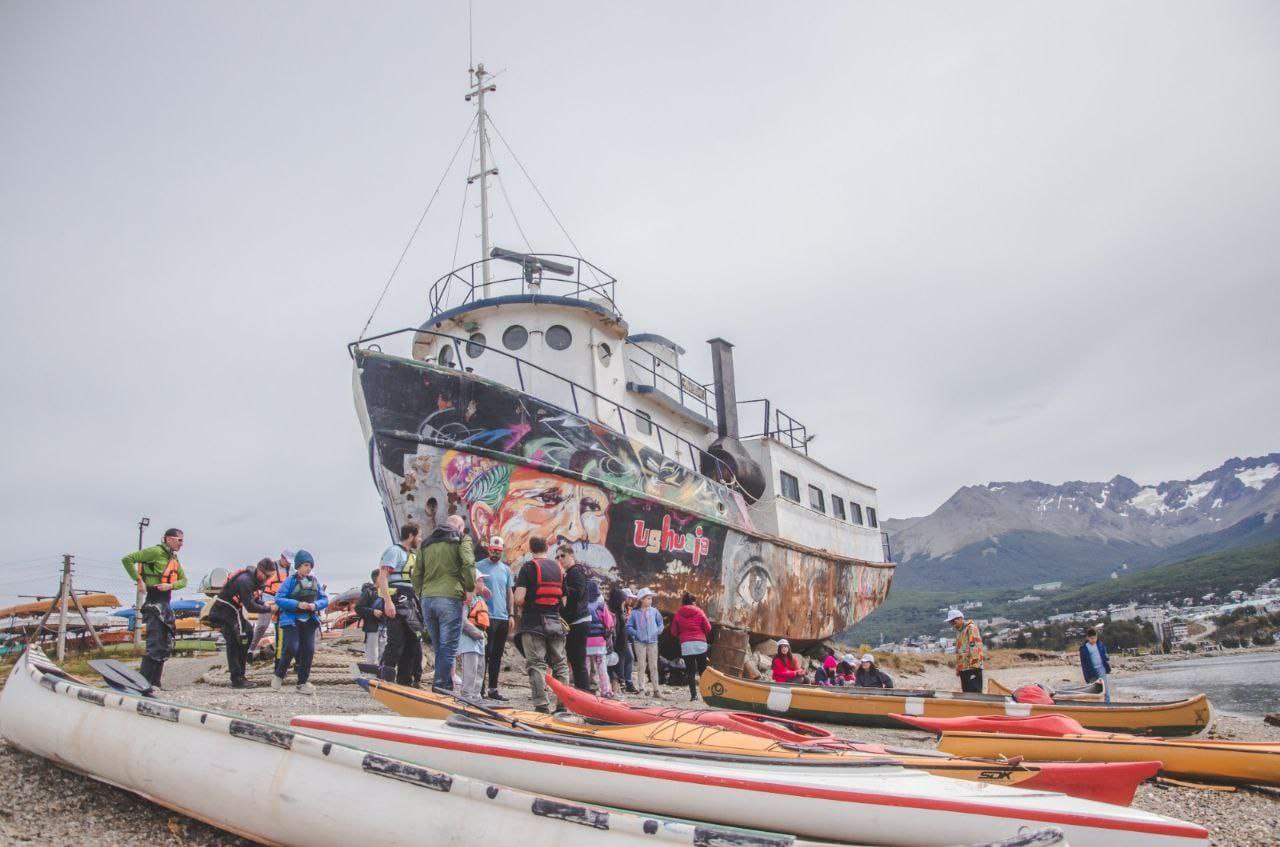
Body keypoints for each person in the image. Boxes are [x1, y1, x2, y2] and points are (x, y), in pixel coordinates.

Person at [412, 514, 477, 691]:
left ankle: (446, 685)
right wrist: (470, 588)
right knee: (448, 647)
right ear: (461, 527)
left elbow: (417, 573)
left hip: (428, 599)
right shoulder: (461, 538)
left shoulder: (426, 543)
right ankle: (440, 687)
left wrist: (420, 593)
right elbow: (468, 563)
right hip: (449, 596)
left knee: (439, 646)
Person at [121, 528, 189, 688]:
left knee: (165, 643)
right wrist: (139, 580)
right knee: (155, 642)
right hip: (153, 601)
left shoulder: (173, 558)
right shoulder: (155, 552)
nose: (182, 544)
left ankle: (156, 682)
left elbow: (184, 580)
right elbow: (128, 559)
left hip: (165, 601)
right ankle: (143, 683)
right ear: (168, 539)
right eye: (179, 540)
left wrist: (170, 585)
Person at [512, 536, 572, 713]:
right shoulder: (559, 569)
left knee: (536, 665)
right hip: (555, 622)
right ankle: (563, 706)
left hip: (533, 623)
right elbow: (565, 600)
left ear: (531, 549)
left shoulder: (528, 568)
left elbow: (518, 598)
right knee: (560, 665)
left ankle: (541, 706)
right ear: (547, 548)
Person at [208, 558, 275, 689]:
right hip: (224, 611)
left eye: (270, 577)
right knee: (235, 640)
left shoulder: (258, 581)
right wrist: (269, 608)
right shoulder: (245, 581)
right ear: (260, 571)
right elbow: (250, 606)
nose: (267, 579)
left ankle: (241, 675)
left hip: (235, 611)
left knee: (249, 633)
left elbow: (254, 599)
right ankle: (237, 678)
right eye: (266, 576)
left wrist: (264, 604)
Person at [272, 549, 328, 694]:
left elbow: (324, 599)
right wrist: (297, 604)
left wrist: (314, 605)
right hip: (291, 620)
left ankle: (302, 682)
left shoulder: (315, 581)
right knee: (292, 647)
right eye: (305, 565)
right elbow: (279, 598)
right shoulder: (290, 581)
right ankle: (279, 674)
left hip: (309, 620)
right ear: (297, 566)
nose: (308, 568)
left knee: (309, 650)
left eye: (310, 565)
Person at [376, 522, 424, 685]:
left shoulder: (412, 556)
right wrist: (388, 603)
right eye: (419, 535)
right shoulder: (394, 552)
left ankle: (405, 681)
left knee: (412, 642)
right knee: (396, 641)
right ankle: (385, 677)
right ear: (411, 535)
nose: (420, 539)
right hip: (396, 598)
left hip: (410, 600)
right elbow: (382, 577)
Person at [476, 536, 514, 701]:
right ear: (488, 549)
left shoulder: (506, 569)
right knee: (485, 653)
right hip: (486, 616)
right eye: (493, 550)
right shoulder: (479, 567)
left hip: (503, 617)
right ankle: (480, 688)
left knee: (497, 655)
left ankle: (493, 688)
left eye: (499, 551)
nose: (496, 554)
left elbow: (509, 593)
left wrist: (511, 614)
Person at [558, 544, 593, 691]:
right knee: (575, 660)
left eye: (562, 556)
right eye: (558, 557)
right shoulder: (571, 572)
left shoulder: (575, 572)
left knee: (578, 661)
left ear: (571, 555)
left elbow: (576, 594)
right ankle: (582, 691)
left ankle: (584, 692)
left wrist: (561, 587)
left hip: (578, 621)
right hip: (576, 621)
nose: (560, 559)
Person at [669, 591, 712, 701]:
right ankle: (706, 695)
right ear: (694, 602)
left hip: (687, 646)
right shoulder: (700, 612)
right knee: (703, 671)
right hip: (700, 644)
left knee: (691, 672)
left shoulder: (678, 614)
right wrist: (700, 634)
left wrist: (682, 635)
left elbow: (673, 632)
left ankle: (694, 696)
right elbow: (708, 628)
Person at [456, 575, 491, 699]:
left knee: (480, 668)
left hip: (480, 638)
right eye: (481, 580)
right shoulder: (467, 599)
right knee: (470, 670)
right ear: (474, 582)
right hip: (469, 639)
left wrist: (482, 634)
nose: (483, 583)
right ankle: (467, 696)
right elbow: (462, 620)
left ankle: (476, 696)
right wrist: (476, 633)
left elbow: (488, 595)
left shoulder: (479, 598)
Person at [626, 587, 663, 697]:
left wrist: (657, 631)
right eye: (648, 598)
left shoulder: (655, 611)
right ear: (641, 599)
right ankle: (641, 688)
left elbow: (660, 624)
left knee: (654, 666)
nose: (650, 600)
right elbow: (629, 627)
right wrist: (637, 634)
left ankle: (656, 690)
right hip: (639, 642)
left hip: (653, 642)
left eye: (651, 598)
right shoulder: (635, 613)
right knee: (641, 665)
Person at [584, 579, 616, 698]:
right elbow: (609, 623)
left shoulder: (582, 603)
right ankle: (606, 691)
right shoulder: (601, 604)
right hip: (599, 642)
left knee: (585, 667)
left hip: (586, 641)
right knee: (602, 667)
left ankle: (583, 690)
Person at [608, 586, 638, 693]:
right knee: (616, 665)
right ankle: (619, 685)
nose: (628, 601)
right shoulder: (614, 614)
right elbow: (615, 631)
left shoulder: (621, 612)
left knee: (626, 660)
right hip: (617, 645)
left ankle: (625, 683)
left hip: (623, 643)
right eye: (625, 599)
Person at [948, 609, 986, 693]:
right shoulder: (959, 632)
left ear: (961, 618)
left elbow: (975, 646)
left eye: (954, 621)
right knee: (966, 693)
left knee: (975, 693)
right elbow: (959, 651)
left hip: (972, 667)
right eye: (951, 622)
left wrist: (975, 665)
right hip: (964, 668)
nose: (952, 624)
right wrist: (958, 667)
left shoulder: (971, 628)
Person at [355, 569, 385, 665]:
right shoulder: (368, 592)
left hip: (385, 626)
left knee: (384, 653)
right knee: (373, 655)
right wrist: (373, 612)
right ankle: (372, 676)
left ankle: (382, 676)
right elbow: (358, 608)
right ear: (377, 578)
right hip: (372, 627)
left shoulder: (386, 592)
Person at [1079, 627, 1112, 702]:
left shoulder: (1100, 644)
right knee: (1094, 690)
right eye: (1091, 638)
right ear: (1087, 638)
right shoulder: (1084, 648)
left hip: (1101, 669)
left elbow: (1104, 654)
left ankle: (1108, 705)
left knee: (1105, 689)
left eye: (1095, 638)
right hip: (1091, 671)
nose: (1094, 640)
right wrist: (1086, 676)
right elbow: (1084, 664)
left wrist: (1106, 658)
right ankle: (1095, 706)